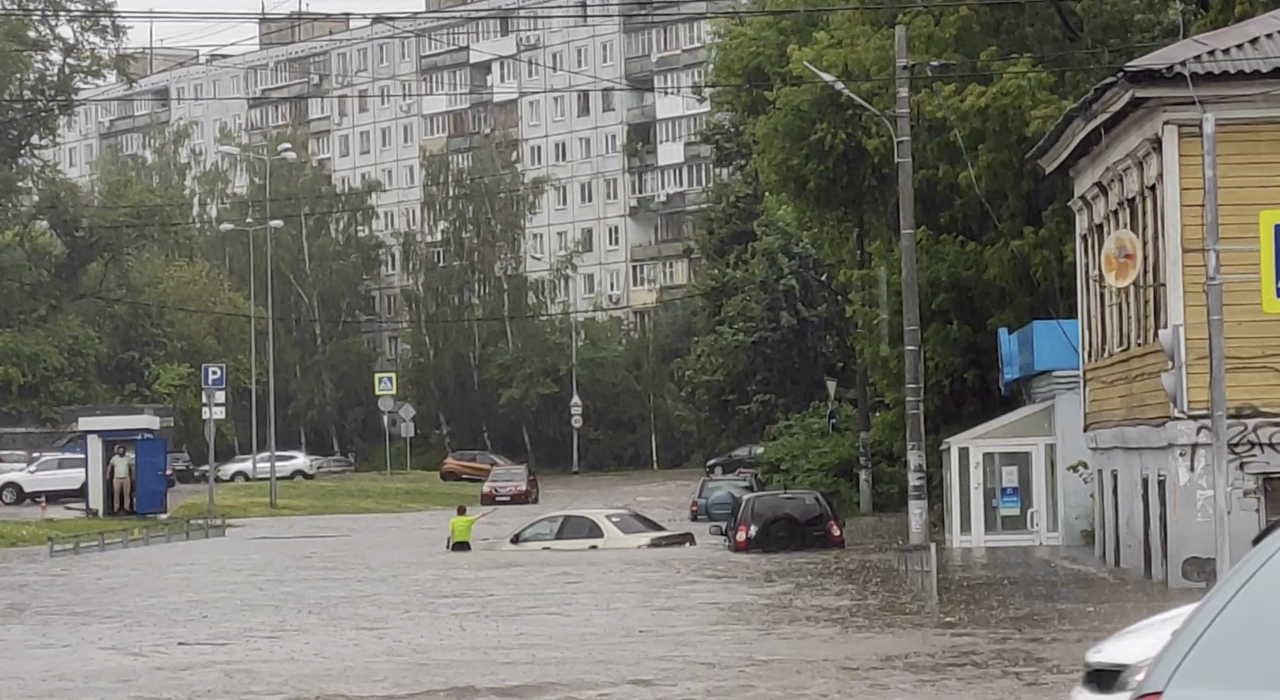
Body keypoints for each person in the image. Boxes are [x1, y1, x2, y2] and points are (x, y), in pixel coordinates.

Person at [108, 445, 133, 515]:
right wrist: (108, 474)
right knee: (116, 494)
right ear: (118, 451)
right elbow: (110, 466)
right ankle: (116, 508)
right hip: (116, 478)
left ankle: (127, 508)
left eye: (122, 450)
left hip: (126, 478)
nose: (121, 451)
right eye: (120, 450)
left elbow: (132, 467)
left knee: (127, 494)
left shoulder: (128, 458)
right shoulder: (114, 458)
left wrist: (133, 476)